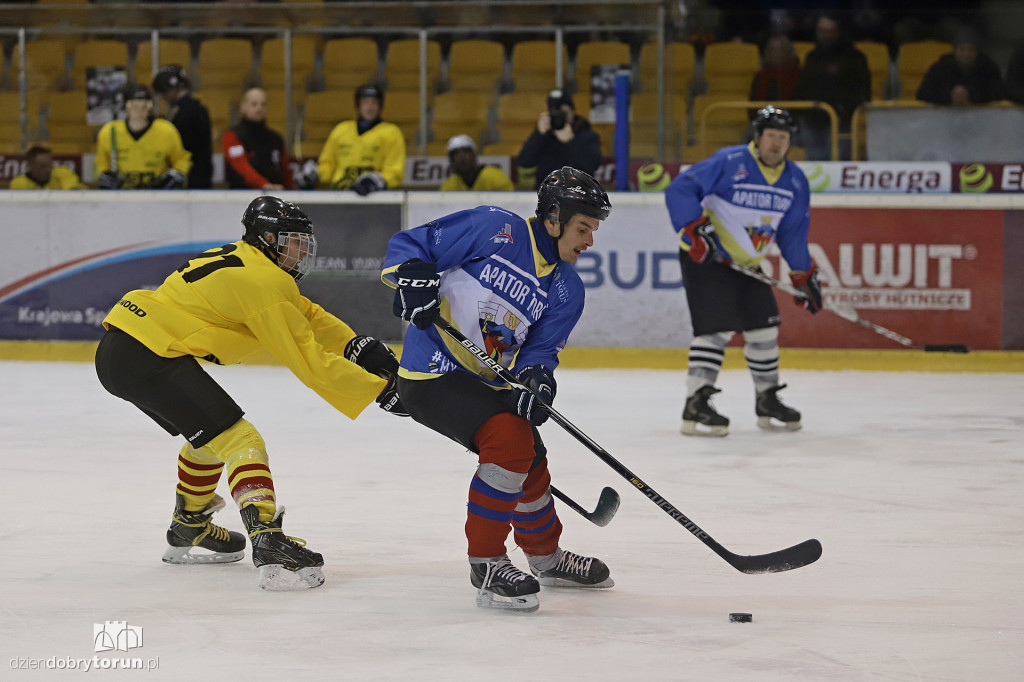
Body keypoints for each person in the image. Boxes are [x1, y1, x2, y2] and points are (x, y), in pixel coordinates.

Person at [94, 196, 406, 591]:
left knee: (211, 437)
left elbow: (303, 312)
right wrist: (381, 390)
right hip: (147, 356)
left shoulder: (247, 259)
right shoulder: (265, 282)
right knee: (242, 439)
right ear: (269, 238)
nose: (303, 251)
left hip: (125, 349)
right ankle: (268, 539)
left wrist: (355, 345)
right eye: (294, 241)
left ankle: (189, 523)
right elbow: (308, 361)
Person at [380, 166, 614, 613]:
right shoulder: (495, 229)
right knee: (509, 441)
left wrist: (536, 381)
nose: (589, 241)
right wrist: (414, 279)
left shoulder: (567, 288)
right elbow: (412, 246)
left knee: (530, 453)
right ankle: (486, 561)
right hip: (432, 372)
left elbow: (540, 352)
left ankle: (546, 557)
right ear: (553, 217)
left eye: (593, 230)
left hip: (488, 379)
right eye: (583, 228)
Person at [664, 106, 821, 437]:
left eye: (783, 137)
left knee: (763, 331)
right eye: (771, 136)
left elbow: (792, 232)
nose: (777, 144)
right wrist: (695, 228)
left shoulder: (794, 180)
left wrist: (803, 274)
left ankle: (767, 399)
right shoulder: (729, 161)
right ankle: (696, 402)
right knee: (715, 331)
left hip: (748, 266)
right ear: (758, 137)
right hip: (709, 260)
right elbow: (680, 189)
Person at [297, 83, 405, 194]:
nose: (369, 107)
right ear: (358, 105)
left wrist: (378, 181)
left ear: (380, 106)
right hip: (340, 196)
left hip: (374, 199)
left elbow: (394, 172)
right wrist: (315, 173)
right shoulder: (341, 129)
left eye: (374, 102)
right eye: (365, 102)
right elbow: (329, 165)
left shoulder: (392, 133)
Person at [791, 14, 872, 160]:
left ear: (838, 32)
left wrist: (845, 111)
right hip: (813, 122)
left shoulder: (855, 58)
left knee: (841, 165)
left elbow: (863, 90)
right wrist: (801, 112)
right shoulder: (812, 57)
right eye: (822, 31)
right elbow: (802, 87)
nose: (825, 36)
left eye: (830, 31)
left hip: (843, 123)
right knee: (816, 168)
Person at [94, 84, 192, 190]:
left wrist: (175, 175)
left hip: (155, 194)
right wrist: (104, 175)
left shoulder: (166, 130)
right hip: (123, 195)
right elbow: (101, 162)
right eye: (134, 106)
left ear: (151, 107)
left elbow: (182, 159)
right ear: (125, 107)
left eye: (145, 105)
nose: (139, 111)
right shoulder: (109, 132)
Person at [517, 89, 602, 190]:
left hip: (578, 196)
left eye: (564, 113)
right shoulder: (544, 136)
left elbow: (591, 165)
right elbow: (524, 162)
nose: (560, 117)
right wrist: (538, 134)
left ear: (572, 111)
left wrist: (571, 142)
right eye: (555, 113)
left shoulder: (587, 136)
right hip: (547, 195)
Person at [152, 65, 213, 189]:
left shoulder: (188, 112)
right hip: (194, 174)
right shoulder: (192, 109)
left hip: (192, 177)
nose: (162, 97)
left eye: (164, 91)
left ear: (174, 88)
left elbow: (188, 150)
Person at [222, 87, 294, 190]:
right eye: (254, 104)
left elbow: (285, 172)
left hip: (275, 197)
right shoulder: (232, 136)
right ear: (243, 107)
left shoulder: (276, 139)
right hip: (242, 196)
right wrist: (263, 184)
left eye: (263, 104)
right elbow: (240, 166)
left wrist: (290, 193)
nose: (259, 108)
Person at [916, 27, 1005, 105]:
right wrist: (950, 97)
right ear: (954, 50)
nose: (966, 54)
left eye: (971, 49)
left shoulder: (989, 68)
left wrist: (969, 97)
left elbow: (999, 94)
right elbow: (923, 94)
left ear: (977, 51)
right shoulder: (940, 67)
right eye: (962, 49)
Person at [439, 134, 514, 191]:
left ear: (475, 155)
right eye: (456, 154)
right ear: (451, 160)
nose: (462, 157)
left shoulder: (495, 177)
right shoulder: (449, 186)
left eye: (466, 151)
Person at [9, 144, 85, 189]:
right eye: (42, 166)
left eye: (50, 165)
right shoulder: (19, 184)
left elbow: (75, 191)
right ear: (30, 165)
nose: (48, 169)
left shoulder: (62, 173)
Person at [749, 35, 801, 102]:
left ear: (788, 51)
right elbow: (753, 104)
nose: (776, 54)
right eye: (773, 50)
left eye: (781, 49)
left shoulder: (798, 75)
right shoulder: (760, 77)